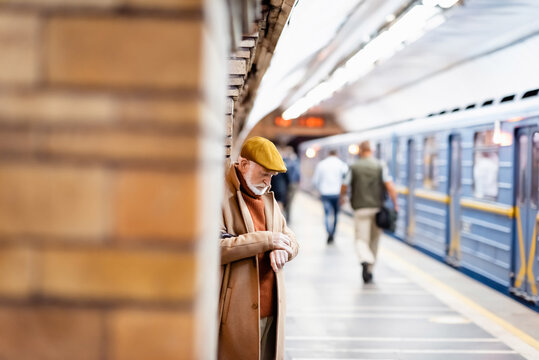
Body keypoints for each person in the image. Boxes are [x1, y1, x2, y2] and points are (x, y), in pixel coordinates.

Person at [219, 136, 299, 360]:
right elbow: (214, 248)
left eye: (272, 176)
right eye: (264, 174)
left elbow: (289, 236)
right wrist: (266, 240)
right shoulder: (220, 197)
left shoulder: (266, 198)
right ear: (244, 164)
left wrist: (286, 249)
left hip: (271, 309)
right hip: (237, 312)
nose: (268, 182)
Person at [341, 141, 398, 283]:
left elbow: (344, 185)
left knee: (361, 239)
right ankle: (370, 269)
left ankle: (365, 259)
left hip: (360, 209)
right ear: (371, 150)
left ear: (360, 151)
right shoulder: (380, 166)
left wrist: (342, 197)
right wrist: (395, 204)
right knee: (374, 240)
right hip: (377, 209)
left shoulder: (354, 167)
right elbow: (390, 186)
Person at [312, 149, 348, 244]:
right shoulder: (342, 164)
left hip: (325, 193)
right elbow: (346, 180)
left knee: (327, 214)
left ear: (328, 154)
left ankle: (329, 232)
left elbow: (316, 180)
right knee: (336, 214)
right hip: (337, 194)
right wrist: (344, 194)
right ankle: (333, 232)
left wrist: (318, 190)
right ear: (337, 154)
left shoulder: (321, 164)